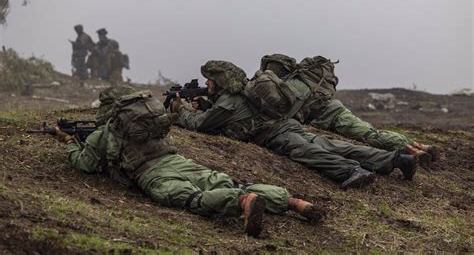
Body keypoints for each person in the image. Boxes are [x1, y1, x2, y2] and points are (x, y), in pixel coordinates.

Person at [52, 86, 323, 237]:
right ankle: (292, 202)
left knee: (193, 198)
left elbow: (86, 165)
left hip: (152, 173)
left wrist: (68, 143)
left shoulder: (108, 130)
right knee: (228, 180)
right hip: (177, 160)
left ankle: (242, 202)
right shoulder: (147, 118)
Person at [171, 61, 418, 190]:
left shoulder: (228, 102)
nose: (207, 83)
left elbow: (200, 126)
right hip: (286, 124)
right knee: (331, 144)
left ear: (220, 81)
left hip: (275, 134)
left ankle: (351, 171)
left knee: (307, 152)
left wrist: (180, 111)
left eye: (210, 79)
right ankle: (394, 160)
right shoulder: (242, 92)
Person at [258, 54, 439, 167]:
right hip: (335, 110)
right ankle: (421, 146)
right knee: (370, 131)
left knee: (369, 135)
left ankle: (414, 151)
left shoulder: (291, 86)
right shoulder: (301, 79)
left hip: (333, 117)